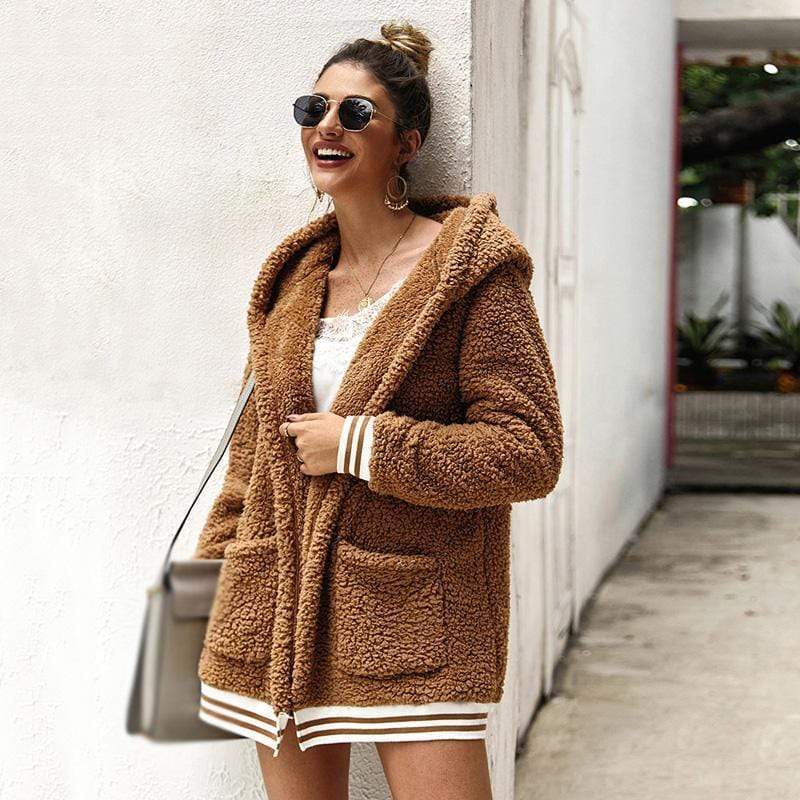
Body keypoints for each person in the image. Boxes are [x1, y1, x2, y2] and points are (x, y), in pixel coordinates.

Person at [193, 20, 564, 800]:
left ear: (406, 143)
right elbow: (251, 462)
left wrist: (361, 444)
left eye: (355, 113)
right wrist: (220, 587)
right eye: (313, 109)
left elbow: (528, 451)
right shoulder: (294, 279)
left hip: (414, 617)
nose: (327, 126)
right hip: (278, 615)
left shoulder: (470, 272)